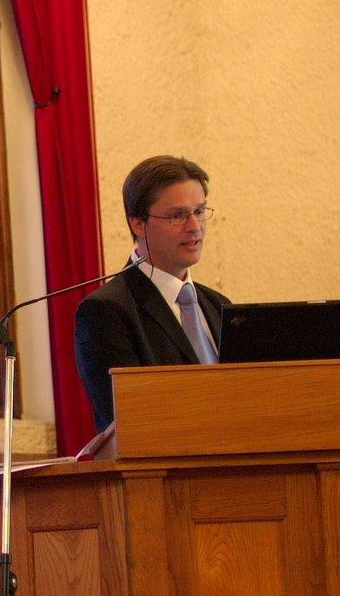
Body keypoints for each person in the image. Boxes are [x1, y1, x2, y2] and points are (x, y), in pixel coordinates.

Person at [74, 154, 232, 432]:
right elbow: (128, 420)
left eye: (199, 212)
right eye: (177, 215)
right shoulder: (106, 311)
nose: (194, 227)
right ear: (138, 224)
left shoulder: (219, 305)